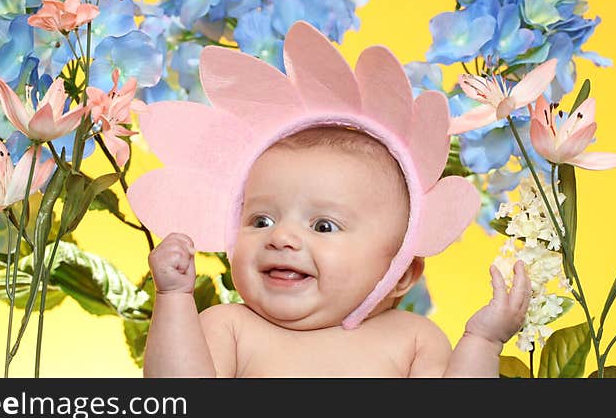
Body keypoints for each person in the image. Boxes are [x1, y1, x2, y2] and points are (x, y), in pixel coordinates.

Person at [128, 21, 531, 378]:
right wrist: (176, 298)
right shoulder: (230, 328)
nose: (281, 237)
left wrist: (483, 341)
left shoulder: (412, 340)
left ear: (401, 273)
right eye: (261, 220)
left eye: (323, 226)